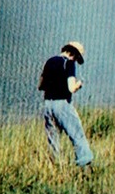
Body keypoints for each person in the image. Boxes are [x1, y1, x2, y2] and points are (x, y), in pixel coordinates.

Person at [38, 41, 94, 170]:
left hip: (47, 104)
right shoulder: (68, 63)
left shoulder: (49, 61)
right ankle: (85, 165)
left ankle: (56, 167)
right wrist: (79, 84)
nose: (75, 60)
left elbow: (40, 86)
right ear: (73, 53)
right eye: (77, 57)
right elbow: (71, 88)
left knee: (53, 138)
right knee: (77, 134)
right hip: (62, 104)